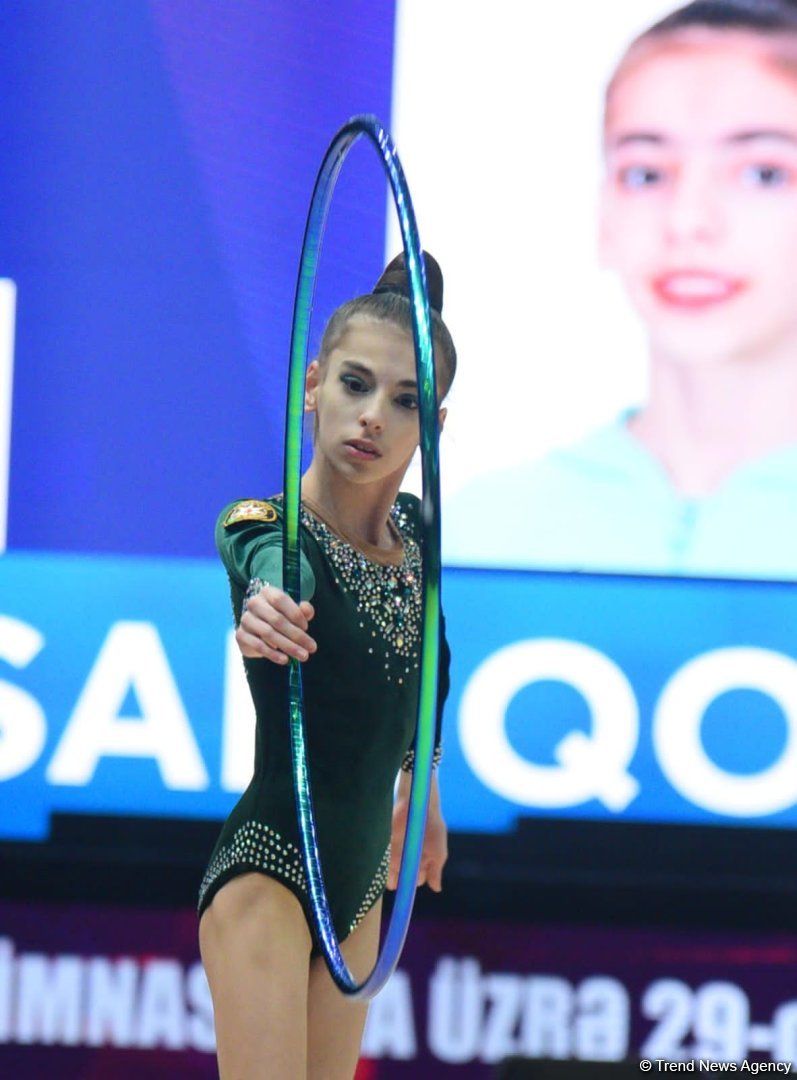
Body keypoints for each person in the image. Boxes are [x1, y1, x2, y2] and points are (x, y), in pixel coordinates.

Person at [198, 252, 457, 1079]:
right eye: (354, 384)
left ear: (435, 428)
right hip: (268, 873)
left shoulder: (417, 535)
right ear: (312, 385)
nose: (373, 415)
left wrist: (425, 783)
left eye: (404, 399)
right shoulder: (262, 525)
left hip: (359, 900)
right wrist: (267, 605)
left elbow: (433, 659)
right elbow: (274, 568)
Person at [443, 0, 797, 580]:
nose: (687, 220)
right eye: (647, 173)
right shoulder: (477, 538)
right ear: (605, 216)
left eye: (762, 173)